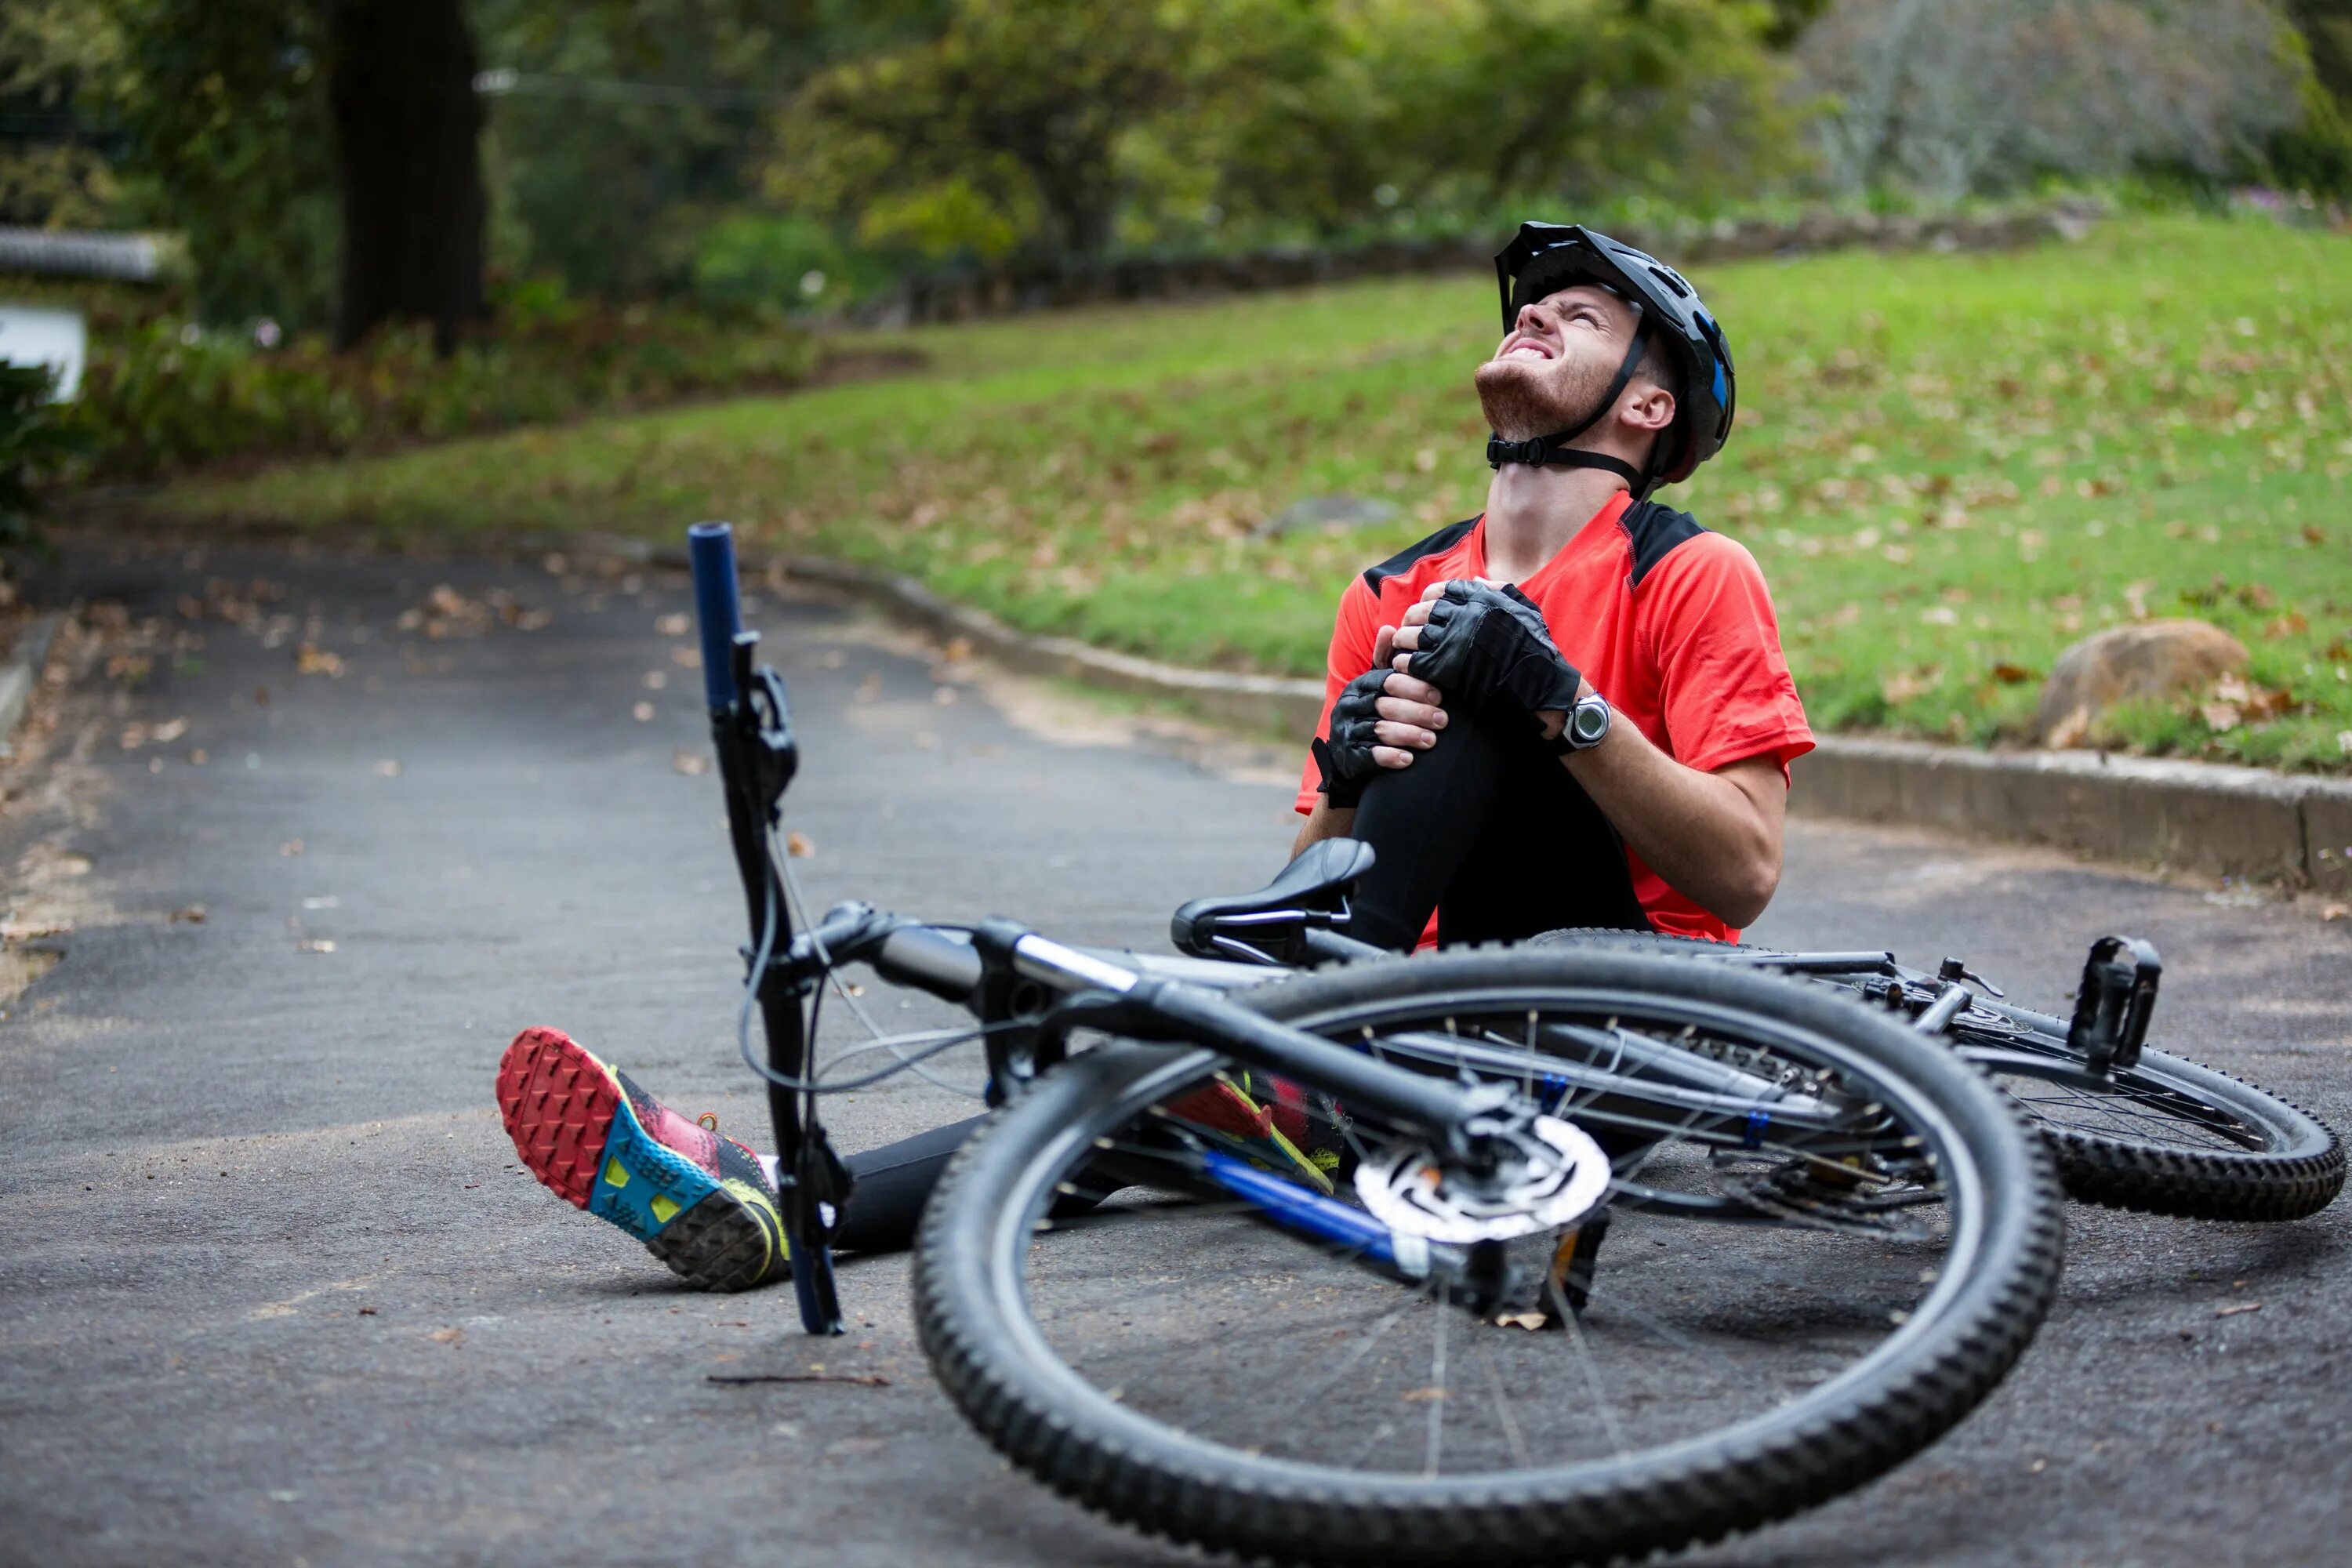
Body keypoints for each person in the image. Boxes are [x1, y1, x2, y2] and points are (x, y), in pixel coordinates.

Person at [496, 223, 1811, 1291]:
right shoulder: (1394, 586)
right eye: (1528, 306)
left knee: (1477, 662)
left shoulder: (1689, 574)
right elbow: (1308, 883)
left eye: (1578, 317)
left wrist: (1560, 703)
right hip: (1416, 1027)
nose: (1533, 317)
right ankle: (790, 1207)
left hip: (1627, 1019)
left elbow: (1743, 871)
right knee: (1141, 1085)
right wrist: (1347, 778)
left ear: (1650, 402)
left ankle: (1272, 1066)